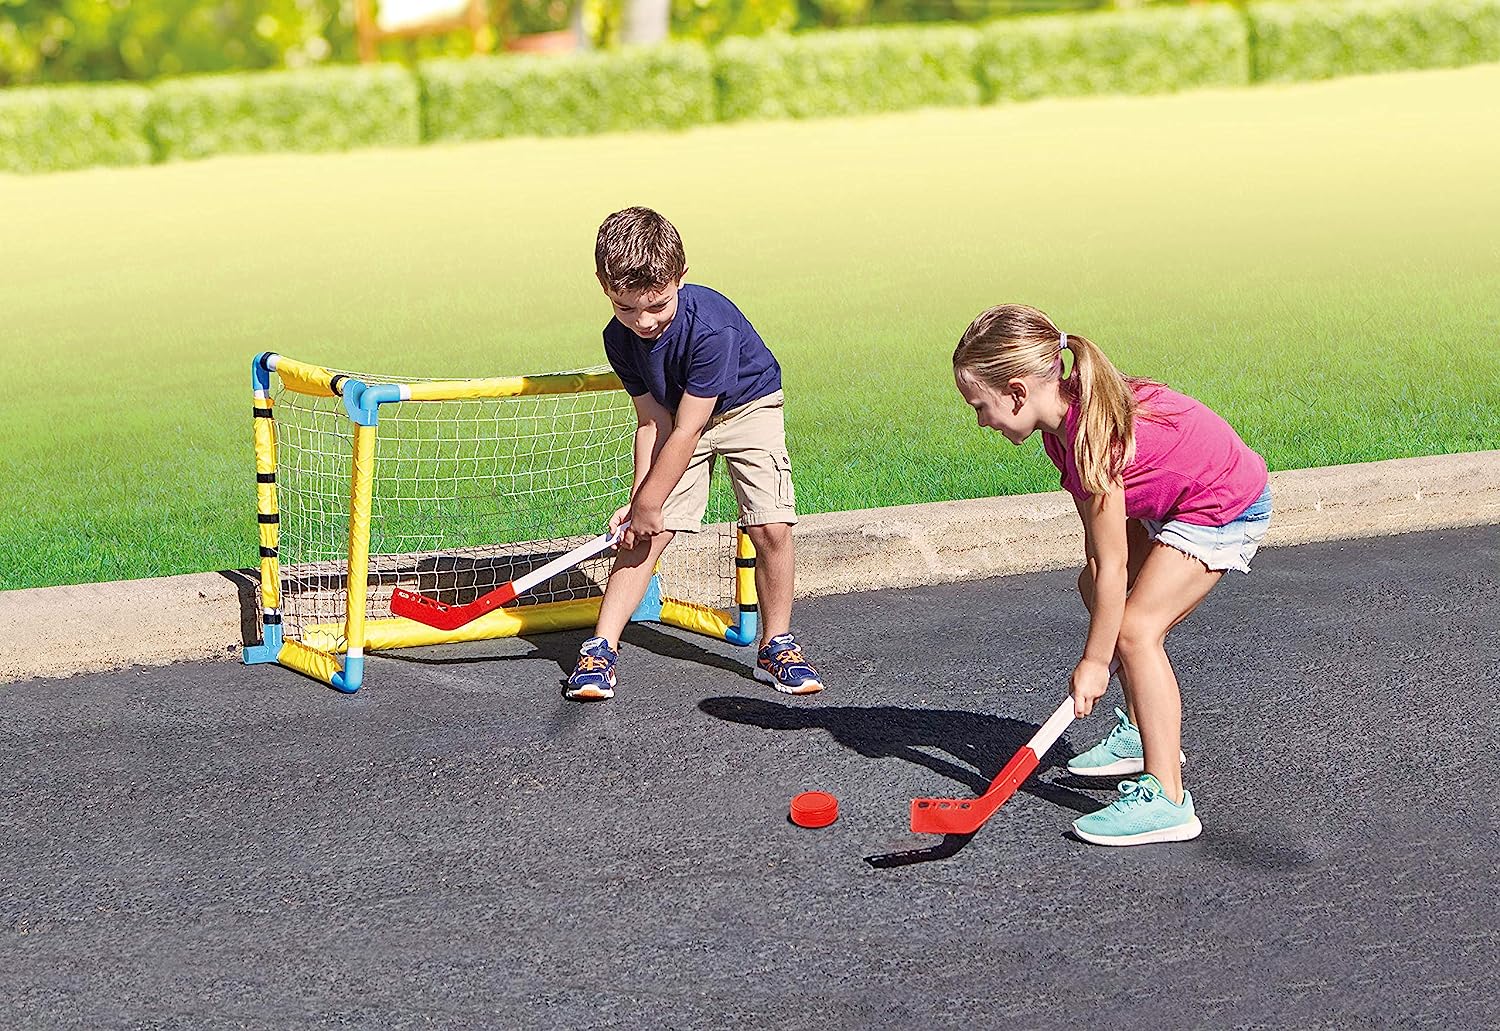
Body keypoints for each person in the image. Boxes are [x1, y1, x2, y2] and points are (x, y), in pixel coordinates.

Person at [953, 303, 1270, 846]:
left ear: (1017, 391)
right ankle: (1137, 735)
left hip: (1223, 503)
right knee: (1099, 595)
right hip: (1175, 500)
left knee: (1134, 630)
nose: (981, 421)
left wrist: (1096, 663)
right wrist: (1100, 645)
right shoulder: (1063, 424)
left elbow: (1114, 563)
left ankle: (1168, 800)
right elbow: (1102, 561)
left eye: (982, 407)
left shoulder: (1089, 437)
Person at [564, 206, 823, 702]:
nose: (643, 321)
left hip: (747, 406)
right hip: (678, 417)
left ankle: (777, 645)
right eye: (625, 308)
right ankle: (599, 650)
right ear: (604, 286)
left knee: (770, 524)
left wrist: (649, 502)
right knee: (646, 533)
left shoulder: (711, 328)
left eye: (657, 305)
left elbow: (688, 426)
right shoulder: (618, 338)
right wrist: (642, 500)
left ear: (680, 278)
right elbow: (652, 421)